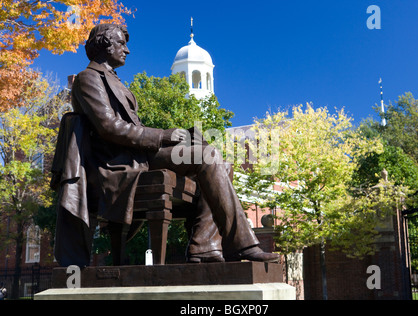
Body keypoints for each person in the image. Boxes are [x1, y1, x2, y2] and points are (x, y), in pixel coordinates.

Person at [52, 23, 279, 266]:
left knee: (220, 161)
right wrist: (163, 135)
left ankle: (205, 247)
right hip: (119, 162)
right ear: (104, 44)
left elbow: (128, 128)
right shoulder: (88, 79)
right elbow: (109, 127)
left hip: (138, 155)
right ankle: (243, 245)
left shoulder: (113, 80)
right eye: (121, 44)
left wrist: (183, 136)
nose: (126, 50)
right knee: (208, 156)